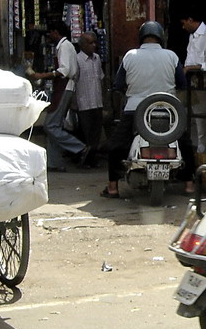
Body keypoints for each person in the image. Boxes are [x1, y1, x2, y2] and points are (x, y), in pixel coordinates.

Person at [102, 21, 196, 198]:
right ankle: (189, 185)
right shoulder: (171, 56)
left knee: (116, 145)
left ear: (141, 37)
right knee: (185, 144)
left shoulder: (130, 56)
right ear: (161, 36)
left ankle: (113, 187)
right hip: (169, 110)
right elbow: (182, 84)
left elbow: (118, 83)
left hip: (134, 109)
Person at [30, 21, 88, 172]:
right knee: (54, 126)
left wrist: (42, 75)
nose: (49, 35)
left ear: (56, 32)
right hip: (65, 87)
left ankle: (80, 148)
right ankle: (54, 162)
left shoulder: (64, 46)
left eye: (51, 32)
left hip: (64, 87)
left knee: (50, 125)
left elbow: (64, 70)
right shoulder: (66, 46)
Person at [180, 11, 206, 154]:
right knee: (187, 115)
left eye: (184, 23)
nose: (183, 27)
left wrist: (190, 68)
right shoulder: (193, 36)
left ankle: (202, 151)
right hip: (191, 82)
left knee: (202, 119)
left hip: (204, 83)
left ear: (190, 20)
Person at [75, 31, 104, 168]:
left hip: (97, 101)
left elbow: (101, 78)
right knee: (85, 133)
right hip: (84, 102)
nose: (94, 45)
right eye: (90, 43)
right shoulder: (77, 60)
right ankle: (84, 160)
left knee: (96, 133)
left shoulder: (97, 59)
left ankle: (92, 158)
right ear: (83, 45)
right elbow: (74, 81)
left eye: (94, 42)